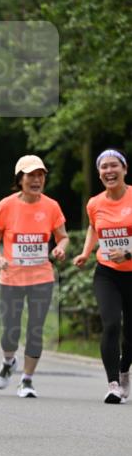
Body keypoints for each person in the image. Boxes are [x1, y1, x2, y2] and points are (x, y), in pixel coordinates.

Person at [0, 155, 69, 398]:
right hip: (11, 277)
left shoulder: (51, 206)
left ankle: (27, 379)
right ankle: (8, 362)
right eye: (30, 175)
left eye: (40, 175)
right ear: (20, 179)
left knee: (35, 329)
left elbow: (62, 236)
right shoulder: (6, 205)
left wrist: (60, 247)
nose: (36, 180)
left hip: (42, 277)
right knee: (10, 329)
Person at [74, 148, 132, 403]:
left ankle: (124, 369)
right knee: (110, 324)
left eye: (113, 165)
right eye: (103, 167)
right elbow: (92, 228)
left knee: (131, 335)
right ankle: (112, 385)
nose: (109, 171)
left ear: (124, 169)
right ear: (99, 174)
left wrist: (129, 253)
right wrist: (86, 253)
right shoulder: (95, 203)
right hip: (106, 273)